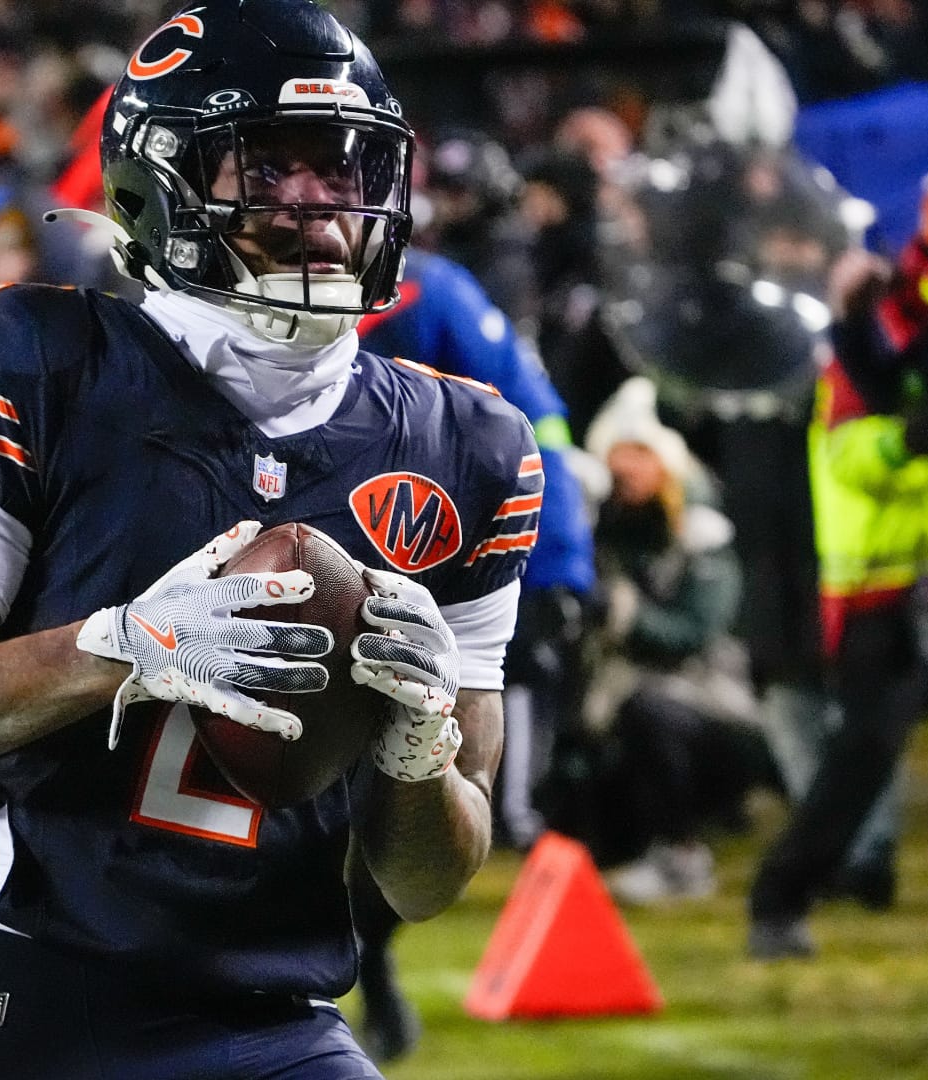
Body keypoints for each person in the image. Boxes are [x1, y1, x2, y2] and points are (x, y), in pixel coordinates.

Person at [0, 4, 540, 1076]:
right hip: (21, 976)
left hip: (272, 1008)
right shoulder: (47, 365)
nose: (317, 203)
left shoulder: (468, 448)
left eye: (341, 167)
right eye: (269, 165)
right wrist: (123, 647)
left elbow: (426, 882)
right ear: (160, 183)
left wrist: (417, 746)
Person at [774, 144, 928, 948]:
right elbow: (845, 454)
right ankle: (779, 899)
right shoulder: (878, 329)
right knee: (866, 754)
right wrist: (907, 441)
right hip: (883, 584)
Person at [350, 246, 595, 1060]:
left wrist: (558, 560)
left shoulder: (425, 290)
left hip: (426, 564)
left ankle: (366, 958)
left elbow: (525, 427)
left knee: (413, 786)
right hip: (338, 551)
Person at [574, 379, 765, 906]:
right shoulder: (605, 529)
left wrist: (624, 615)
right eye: (618, 454)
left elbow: (693, 635)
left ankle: (683, 856)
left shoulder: (699, 530)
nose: (626, 467)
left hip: (714, 709)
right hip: (625, 706)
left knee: (650, 712)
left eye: (639, 453)